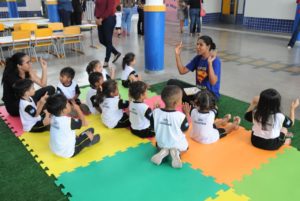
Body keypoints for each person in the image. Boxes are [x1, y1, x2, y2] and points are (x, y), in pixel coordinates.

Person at [46, 94, 100, 158]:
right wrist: (78, 109)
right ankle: (87, 141)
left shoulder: (53, 116)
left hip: (55, 148)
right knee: (95, 136)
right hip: (67, 152)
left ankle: (81, 138)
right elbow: (85, 123)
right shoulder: (68, 121)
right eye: (67, 103)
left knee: (91, 130)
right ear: (63, 110)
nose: (69, 104)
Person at [171, 35, 221, 102]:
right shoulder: (198, 58)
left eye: (201, 45)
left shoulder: (215, 61)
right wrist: (177, 54)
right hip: (198, 91)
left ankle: (193, 102)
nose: (198, 47)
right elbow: (182, 71)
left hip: (210, 95)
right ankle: (193, 101)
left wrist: (209, 63)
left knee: (180, 93)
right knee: (172, 82)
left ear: (208, 46)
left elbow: (213, 82)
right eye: (197, 44)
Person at [151, 85, 190, 169]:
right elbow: (185, 130)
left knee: (159, 145)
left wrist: (155, 110)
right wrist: (187, 114)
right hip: (176, 145)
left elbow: (152, 127)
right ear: (176, 103)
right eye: (181, 98)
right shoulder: (181, 116)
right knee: (186, 148)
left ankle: (164, 151)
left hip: (161, 144)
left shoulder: (155, 112)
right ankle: (176, 153)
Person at [95, 0, 121, 68]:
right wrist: (96, 17)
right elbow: (97, 7)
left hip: (109, 19)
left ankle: (106, 61)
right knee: (101, 40)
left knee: (108, 41)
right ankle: (116, 53)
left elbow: (109, 9)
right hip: (99, 19)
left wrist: (101, 18)